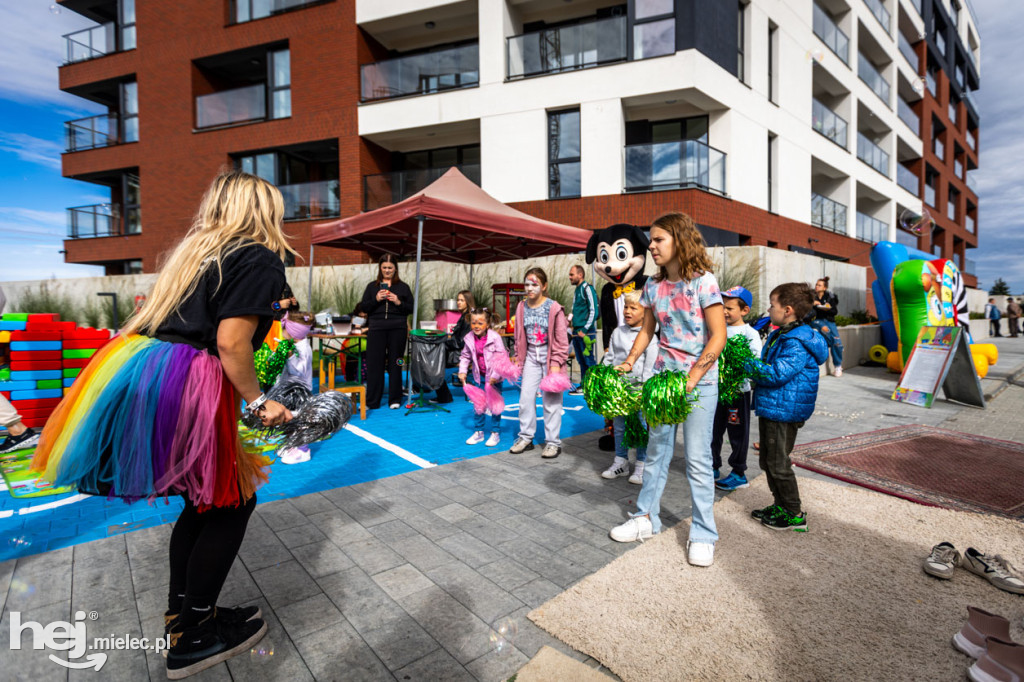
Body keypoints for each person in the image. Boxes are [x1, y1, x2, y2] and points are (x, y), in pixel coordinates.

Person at [31, 171, 292, 678]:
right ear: (263, 211)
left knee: (206, 498)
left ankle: (187, 615)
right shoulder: (258, 257)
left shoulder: (194, 255)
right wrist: (261, 403)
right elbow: (232, 343)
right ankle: (194, 635)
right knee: (232, 499)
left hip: (143, 370)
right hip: (189, 381)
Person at [609, 211, 727, 569]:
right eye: (651, 239)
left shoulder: (703, 282)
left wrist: (690, 380)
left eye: (659, 239)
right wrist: (629, 362)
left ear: (680, 240)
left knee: (697, 458)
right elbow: (647, 331)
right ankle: (646, 518)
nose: (652, 245)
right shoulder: (653, 286)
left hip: (699, 383)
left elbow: (718, 336)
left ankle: (704, 534)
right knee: (657, 453)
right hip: (662, 382)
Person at [747, 283, 828, 532]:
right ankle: (780, 505)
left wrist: (747, 364)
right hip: (774, 406)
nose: (769, 309)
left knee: (778, 463)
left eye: (773, 305)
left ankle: (794, 512)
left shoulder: (796, 341)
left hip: (784, 410)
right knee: (768, 461)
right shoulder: (781, 333)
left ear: (788, 310)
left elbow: (777, 374)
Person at [509, 267, 569, 459]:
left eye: (534, 284)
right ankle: (526, 437)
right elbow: (519, 336)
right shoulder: (521, 307)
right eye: (527, 284)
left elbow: (561, 339)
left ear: (544, 286)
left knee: (551, 402)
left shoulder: (554, 308)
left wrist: (555, 364)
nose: (529, 288)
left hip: (549, 356)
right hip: (531, 358)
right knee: (525, 399)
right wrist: (518, 358)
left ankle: (553, 443)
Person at [599, 291, 656, 484]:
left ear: (645, 312)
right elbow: (610, 358)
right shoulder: (617, 332)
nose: (627, 311)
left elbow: (650, 364)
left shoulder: (650, 336)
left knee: (640, 428)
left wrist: (645, 389)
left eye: (633, 308)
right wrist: (606, 377)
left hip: (638, 391)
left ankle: (641, 464)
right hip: (619, 390)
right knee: (619, 427)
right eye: (625, 307)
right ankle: (621, 461)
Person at [712, 286, 762, 491]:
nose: (724, 311)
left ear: (744, 310)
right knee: (712, 431)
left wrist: (739, 366)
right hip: (715, 390)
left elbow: (755, 362)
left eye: (729, 308)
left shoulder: (750, 333)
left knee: (737, 433)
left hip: (737, 392)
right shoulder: (716, 328)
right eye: (722, 306)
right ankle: (712, 466)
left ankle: (739, 473)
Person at [360, 255, 414, 409]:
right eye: (384, 267)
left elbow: (411, 308)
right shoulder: (372, 287)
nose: (387, 270)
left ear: (395, 268)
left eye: (390, 267)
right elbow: (364, 307)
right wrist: (376, 299)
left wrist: (398, 301)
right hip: (376, 328)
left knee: (396, 362)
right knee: (374, 364)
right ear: (380, 268)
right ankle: (372, 401)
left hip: (398, 328)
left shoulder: (403, 287)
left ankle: (395, 399)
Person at [459, 307, 510, 447]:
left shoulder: (495, 338)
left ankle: (495, 433)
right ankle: (479, 432)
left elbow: (502, 358)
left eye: (480, 323)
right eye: (474, 323)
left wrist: (494, 376)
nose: (476, 326)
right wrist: (462, 370)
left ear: (487, 324)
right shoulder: (469, 338)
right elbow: (465, 356)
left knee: (495, 406)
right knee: (478, 405)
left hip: (494, 379)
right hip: (479, 377)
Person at [277, 309, 314, 464]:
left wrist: (290, 356)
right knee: (290, 418)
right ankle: (293, 444)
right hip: (290, 390)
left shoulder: (304, 349)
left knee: (299, 420)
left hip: (300, 392)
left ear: (292, 332)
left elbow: (299, 371)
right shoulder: (293, 344)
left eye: (284, 329)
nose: (282, 331)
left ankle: (303, 450)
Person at [568, 264, 598, 395]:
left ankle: (595, 386)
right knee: (581, 360)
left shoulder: (587, 288)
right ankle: (584, 385)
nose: (569, 277)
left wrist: (585, 329)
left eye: (572, 274)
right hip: (576, 332)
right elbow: (577, 309)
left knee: (589, 360)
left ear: (580, 275)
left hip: (586, 333)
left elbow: (594, 310)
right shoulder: (577, 290)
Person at [810, 277, 844, 377]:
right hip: (817, 321)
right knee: (824, 329)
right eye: (816, 284)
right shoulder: (812, 296)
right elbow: (805, 309)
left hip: (829, 321)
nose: (816, 286)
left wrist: (826, 308)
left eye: (819, 285)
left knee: (837, 343)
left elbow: (834, 311)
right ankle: (833, 343)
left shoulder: (830, 297)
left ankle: (838, 366)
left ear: (824, 288)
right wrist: (813, 304)